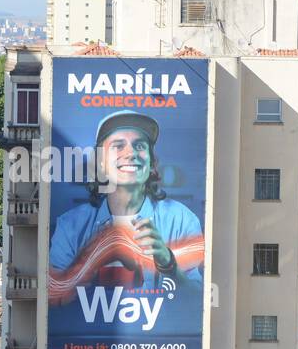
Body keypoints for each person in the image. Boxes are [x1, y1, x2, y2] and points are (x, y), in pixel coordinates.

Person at [48, 110, 203, 302]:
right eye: (118, 146)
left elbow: (197, 303)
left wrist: (168, 263)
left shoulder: (180, 219)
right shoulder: (70, 226)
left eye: (139, 145)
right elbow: (53, 299)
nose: (130, 153)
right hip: (91, 331)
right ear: (101, 163)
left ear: (152, 163)